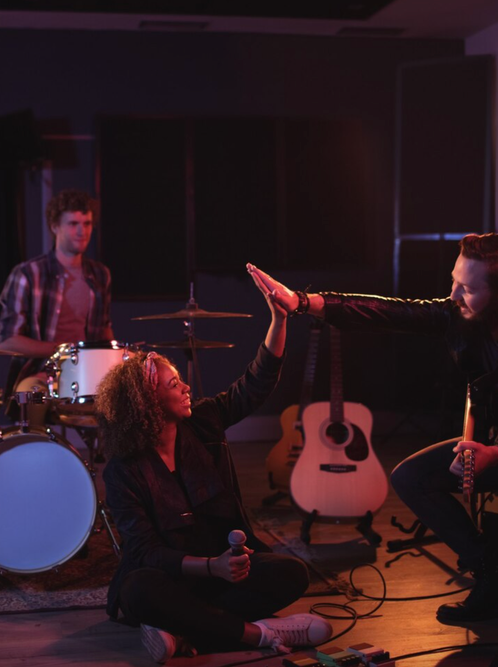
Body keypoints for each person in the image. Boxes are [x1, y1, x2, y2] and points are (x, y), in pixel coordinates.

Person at [250, 233, 498, 667]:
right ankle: (493, 575)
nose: (453, 294)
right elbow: (388, 310)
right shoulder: (462, 315)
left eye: (466, 287)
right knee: (411, 476)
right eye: (453, 281)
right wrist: (303, 302)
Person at [96, 263, 333, 664]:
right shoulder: (123, 470)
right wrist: (211, 568)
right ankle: (257, 633)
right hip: (175, 578)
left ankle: (183, 633)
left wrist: (278, 318)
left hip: (223, 575)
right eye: (174, 385)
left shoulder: (204, 423)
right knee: (140, 591)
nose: (186, 387)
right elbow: (147, 553)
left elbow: (255, 384)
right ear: (149, 405)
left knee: (292, 573)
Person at [0, 189, 112, 423]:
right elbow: (7, 341)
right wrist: (62, 350)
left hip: (88, 373)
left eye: (87, 223)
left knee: (132, 397)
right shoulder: (28, 274)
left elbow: (103, 331)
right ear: (54, 226)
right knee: (30, 398)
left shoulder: (100, 275)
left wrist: (117, 359)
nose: (82, 231)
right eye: (73, 223)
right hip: (42, 373)